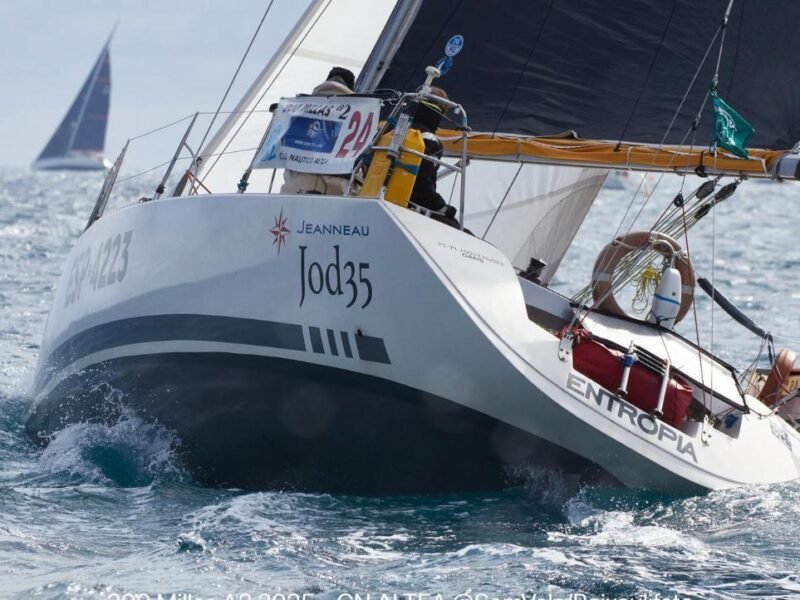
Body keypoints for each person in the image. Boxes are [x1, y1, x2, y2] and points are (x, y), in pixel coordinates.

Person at [280, 67, 357, 196]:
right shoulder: (360, 113)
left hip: (295, 186)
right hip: (336, 191)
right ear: (352, 86)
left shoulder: (298, 108)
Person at [407, 87, 459, 227]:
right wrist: (441, 208)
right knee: (462, 232)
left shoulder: (389, 130)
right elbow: (422, 184)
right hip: (409, 206)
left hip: (375, 193)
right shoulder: (429, 140)